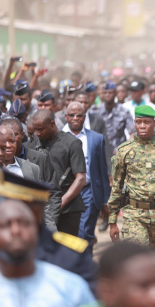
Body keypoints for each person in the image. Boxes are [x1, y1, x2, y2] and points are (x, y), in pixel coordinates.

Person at [0, 200, 98, 307]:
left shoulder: (71, 288)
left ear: (37, 233)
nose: (16, 230)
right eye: (5, 225)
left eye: (24, 224)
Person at [108, 105, 155, 274]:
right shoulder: (125, 150)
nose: (142, 126)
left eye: (146, 122)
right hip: (135, 214)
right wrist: (112, 221)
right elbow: (117, 186)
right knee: (137, 260)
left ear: (154, 123)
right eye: (138, 122)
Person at [28, 109, 86, 236]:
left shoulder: (71, 143)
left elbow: (80, 178)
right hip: (43, 208)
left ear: (52, 124)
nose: (37, 133)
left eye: (41, 129)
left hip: (68, 209)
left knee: (67, 249)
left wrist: (61, 202)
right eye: (35, 129)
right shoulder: (34, 144)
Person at [63, 102, 110, 244]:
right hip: (66, 192)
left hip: (88, 191)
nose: (75, 118)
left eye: (79, 115)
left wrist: (105, 200)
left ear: (84, 117)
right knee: (68, 233)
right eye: (72, 115)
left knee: (84, 232)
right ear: (66, 117)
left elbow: (102, 170)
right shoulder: (57, 137)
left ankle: (85, 263)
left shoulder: (96, 138)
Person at [1, 118, 61, 230]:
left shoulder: (32, 169)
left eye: (12, 141)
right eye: (4, 141)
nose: (9, 145)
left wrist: (52, 232)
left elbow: (43, 206)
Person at [90, 81, 135, 153]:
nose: (107, 95)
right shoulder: (95, 112)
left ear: (115, 94)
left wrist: (125, 149)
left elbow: (132, 133)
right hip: (101, 152)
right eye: (105, 93)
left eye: (110, 93)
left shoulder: (123, 111)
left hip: (119, 153)